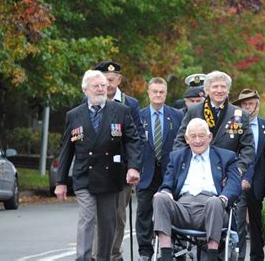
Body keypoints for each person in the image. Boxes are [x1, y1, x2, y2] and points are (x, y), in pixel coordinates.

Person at [55, 70, 141, 261]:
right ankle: (83, 258)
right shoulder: (74, 115)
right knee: (87, 219)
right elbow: (66, 150)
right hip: (85, 176)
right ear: (86, 89)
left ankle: (103, 258)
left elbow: (133, 141)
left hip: (111, 177)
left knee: (108, 223)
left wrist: (133, 167)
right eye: (96, 86)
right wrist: (60, 182)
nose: (102, 89)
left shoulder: (120, 111)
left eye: (103, 85)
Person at [153, 118, 242, 261]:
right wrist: (166, 193)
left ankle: (212, 255)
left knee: (214, 202)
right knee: (159, 197)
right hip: (182, 209)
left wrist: (223, 198)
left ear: (210, 137)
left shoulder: (226, 157)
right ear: (186, 139)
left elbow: (235, 183)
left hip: (211, 208)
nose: (197, 140)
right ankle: (166, 255)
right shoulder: (177, 157)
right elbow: (167, 184)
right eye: (193, 136)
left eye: (201, 135)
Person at [92, 61, 145, 260]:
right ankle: (97, 254)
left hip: (121, 170)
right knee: (97, 216)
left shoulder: (130, 104)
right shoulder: (90, 100)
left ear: (119, 80)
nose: (108, 84)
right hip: (96, 168)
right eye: (104, 79)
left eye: (111, 80)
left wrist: (134, 166)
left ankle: (114, 254)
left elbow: (138, 137)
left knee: (118, 216)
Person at [136, 77, 184, 261]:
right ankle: (145, 251)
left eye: (161, 92)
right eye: (154, 91)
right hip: (145, 173)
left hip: (170, 173)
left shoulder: (177, 116)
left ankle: (174, 247)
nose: (158, 95)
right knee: (144, 213)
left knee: (173, 211)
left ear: (166, 93)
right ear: (148, 93)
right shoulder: (138, 116)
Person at [174, 70, 255, 177]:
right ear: (207, 90)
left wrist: (238, 170)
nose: (219, 90)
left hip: (228, 173)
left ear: (228, 90)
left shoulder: (240, 114)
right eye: (215, 87)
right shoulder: (194, 111)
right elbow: (180, 141)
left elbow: (248, 148)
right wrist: (186, 164)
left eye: (223, 87)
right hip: (197, 172)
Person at [232, 89, 265, 260]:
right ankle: (238, 256)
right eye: (244, 104)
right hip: (238, 181)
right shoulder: (233, 127)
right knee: (238, 223)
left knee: (257, 226)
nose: (248, 107)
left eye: (251, 104)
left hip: (261, 184)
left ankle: (257, 257)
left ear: (257, 106)